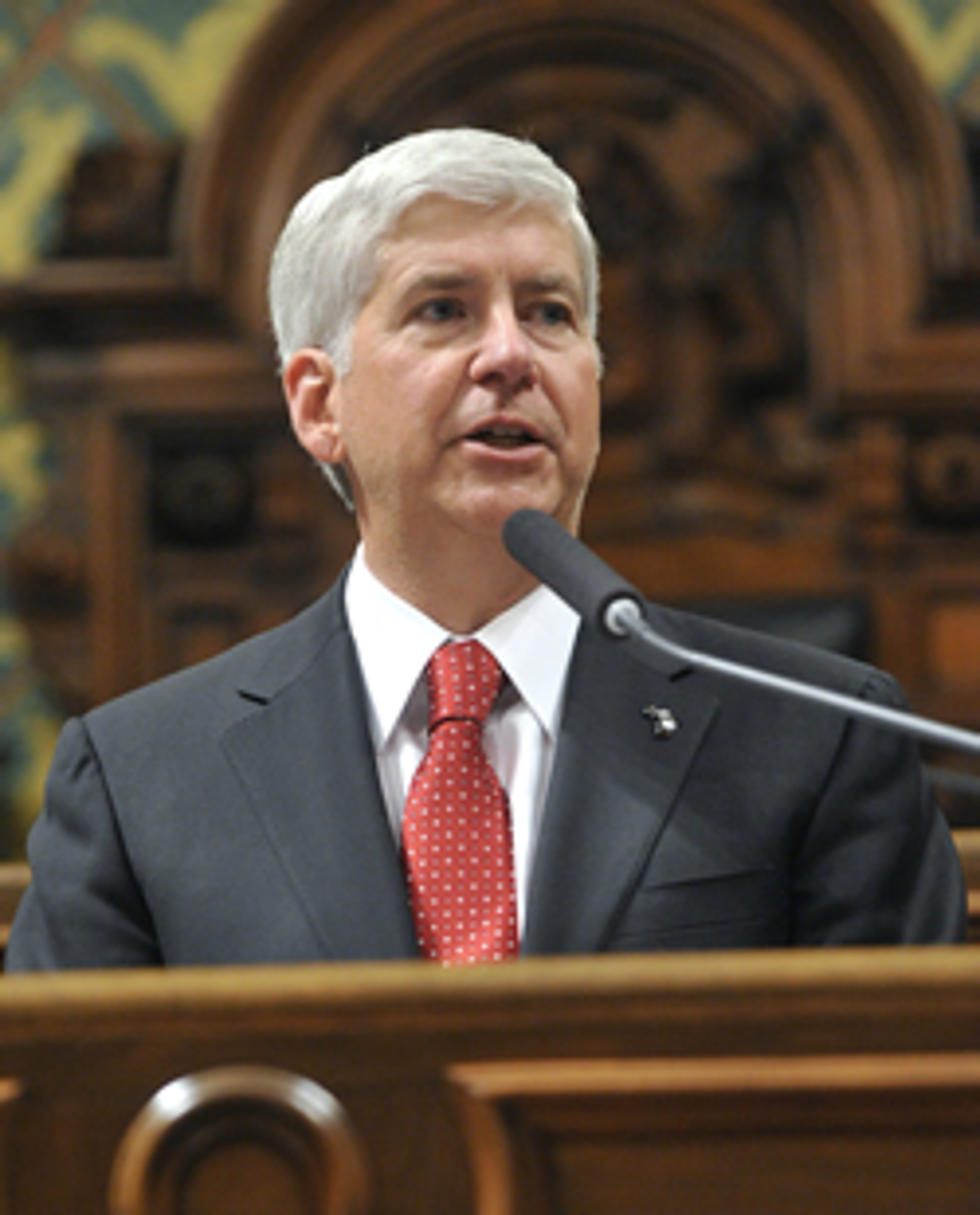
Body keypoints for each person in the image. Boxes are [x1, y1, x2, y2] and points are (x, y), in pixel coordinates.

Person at [6, 128, 964, 970]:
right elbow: (67, 1147)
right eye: (444, 309)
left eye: (550, 312)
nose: (512, 355)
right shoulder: (140, 781)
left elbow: (905, 1130)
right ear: (317, 403)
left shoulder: (822, 735)